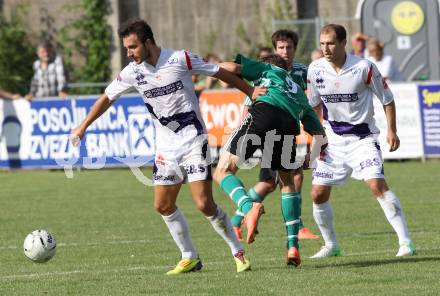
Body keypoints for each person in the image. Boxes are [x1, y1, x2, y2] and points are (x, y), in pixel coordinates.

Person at [70, 19, 266, 275]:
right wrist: (83, 126)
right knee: (162, 205)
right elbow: (107, 98)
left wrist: (250, 91)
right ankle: (189, 257)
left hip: (194, 141)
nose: (128, 53)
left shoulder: (180, 59)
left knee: (204, 204)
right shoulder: (133, 71)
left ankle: (237, 252)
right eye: (127, 48)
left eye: (132, 47)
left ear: (148, 42)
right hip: (165, 148)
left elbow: (218, 72)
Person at [307, 24, 415, 258]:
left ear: (343, 43)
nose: (325, 48)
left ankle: (405, 242)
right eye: (322, 43)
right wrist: (319, 132)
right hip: (332, 140)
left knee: (377, 185)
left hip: (363, 139)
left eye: (331, 43)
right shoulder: (315, 70)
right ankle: (331, 245)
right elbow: (314, 104)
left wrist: (392, 131)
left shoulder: (364, 67)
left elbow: (387, 99)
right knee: (317, 193)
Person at [213, 53, 325, 267]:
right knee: (287, 183)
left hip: (264, 112)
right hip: (289, 124)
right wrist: (310, 158)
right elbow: (321, 135)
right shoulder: (299, 94)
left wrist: (209, 67)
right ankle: (293, 246)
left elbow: (231, 68)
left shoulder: (267, 69)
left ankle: (248, 208)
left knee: (222, 171)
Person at [230, 29, 320, 241]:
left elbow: (308, 101)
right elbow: (249, 101)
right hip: (265, 125)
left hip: (287, 127)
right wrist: (246, 130)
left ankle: (237, 221)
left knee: (272, 181)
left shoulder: (301, 71)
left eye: (289, 47)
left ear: (295, 49)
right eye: (281, 47)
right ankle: (296, 228)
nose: (285, 51)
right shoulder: (267, 70)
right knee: (290, 176)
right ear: (275, 50)